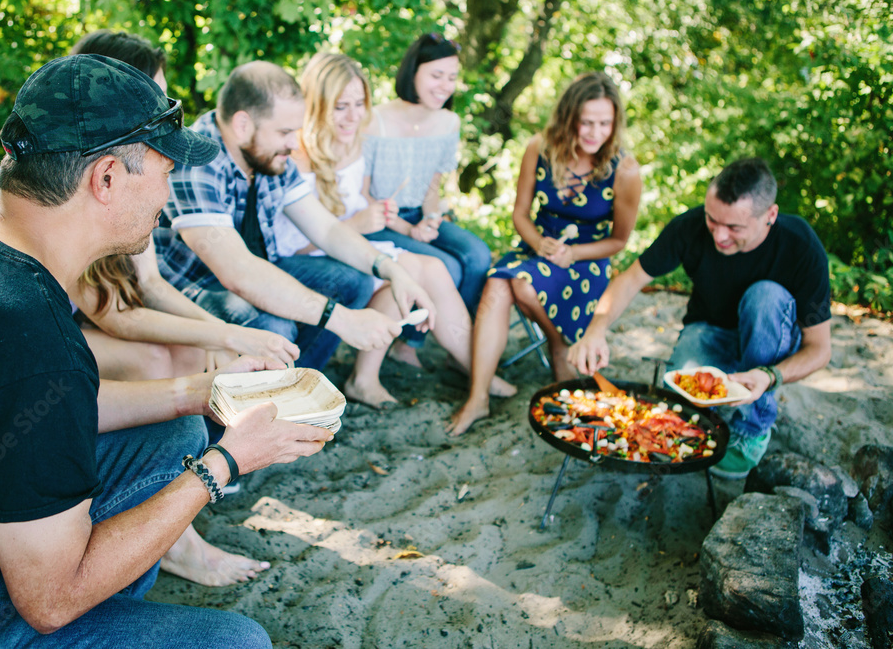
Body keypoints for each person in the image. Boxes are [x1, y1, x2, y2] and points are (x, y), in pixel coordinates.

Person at [0, 54, 333, 648]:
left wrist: (201, 392)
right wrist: (228, 462)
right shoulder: (27, 335)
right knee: (239, 642)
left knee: (176, 433)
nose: (169, 189)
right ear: (105, 179)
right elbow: (50, 600)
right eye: (163, 168)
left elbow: (39, 414)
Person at [0, 30, 300, 380]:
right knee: (155, 362)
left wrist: (221, 333)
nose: (160, 105)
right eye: (150, 95)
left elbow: (150, 283)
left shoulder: (110, 187)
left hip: (76, 320)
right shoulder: (54, 192)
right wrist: (228, 334)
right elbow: (114, 315)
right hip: (36, 337)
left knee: (193, 351)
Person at [153, 61, 435, 372]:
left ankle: (296, 383)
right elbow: (238, 273)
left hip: (263, 267)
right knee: (276, 328)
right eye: (286, 132)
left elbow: (326, 230)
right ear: (243, 124)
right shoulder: (197, 162)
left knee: (354, 282)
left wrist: (392, 270)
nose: (293, 143)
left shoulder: (269, 153)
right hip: (198, 291)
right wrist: (342, 320)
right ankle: (260, 406)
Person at [273, 52, 516, 408]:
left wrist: (378, 213)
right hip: (307, 258)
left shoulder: (351, 142)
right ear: (317, 104)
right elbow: (288, 246)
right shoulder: (296, 155)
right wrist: (358, 223)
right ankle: (470, 372)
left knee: (428, 268)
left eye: (359, 104)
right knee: (415, 270)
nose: (354, 116)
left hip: (349, 244)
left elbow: (357, 202)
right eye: (341, 106)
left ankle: (470, 373)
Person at [568, 157, 832, 478]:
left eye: (734, 227)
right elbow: (631, 278)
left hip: (768, 340)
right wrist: (595, 330)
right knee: (682, 406)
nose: (719, 236)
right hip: (708, 331)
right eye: (712, 219)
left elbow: (820, 348)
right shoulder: (690, 227)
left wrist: (770, 375)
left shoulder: (801, 246)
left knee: (765, 295)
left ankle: (752, 429)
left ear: (770, 216)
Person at [448, 72, 642, 436]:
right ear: (569, 117)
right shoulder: (540, 148)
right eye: (586, 122)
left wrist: (575, 252)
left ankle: (557, 348)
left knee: (518, 284)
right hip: (537, 248)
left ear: (615, 123)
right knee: (498, 284)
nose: (594, 132)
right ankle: (478, 397)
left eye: (604, 123)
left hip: (587, 261)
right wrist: (538, 244)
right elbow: (520, 213)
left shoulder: (625, 170)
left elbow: (619, 242)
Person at [361, 32, 492, 366]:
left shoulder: (449, 122)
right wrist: (408, 230)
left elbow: (433, 190)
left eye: (452, 77)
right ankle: (418, 340)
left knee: (477, 255)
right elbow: (363, 196)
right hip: (378, 220)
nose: (445, 86)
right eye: (436, 75)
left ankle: (439, 341)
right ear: (413, 73)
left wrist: (431, 219)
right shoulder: (376, 120)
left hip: (419, 215)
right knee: (447, 266)